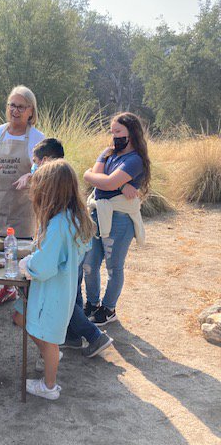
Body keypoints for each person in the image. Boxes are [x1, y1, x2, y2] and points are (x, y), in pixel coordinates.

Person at [13, 160, 96, 400]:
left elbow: (47, 264)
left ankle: (49, 386)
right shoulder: (74, 218)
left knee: (49, 339)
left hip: (51, 292)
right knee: (36, 328)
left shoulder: (59, 224)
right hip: (63, 289)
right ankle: (50, 368)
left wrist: (28, 264)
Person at [0, 85, 44, 307]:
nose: (15, 111)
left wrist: (29, 176)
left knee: (22, 251)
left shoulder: (37, 137)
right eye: (12, 105)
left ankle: (24, 297)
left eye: (21, 107)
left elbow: (44, 171)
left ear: (31, 111)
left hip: (22, 206)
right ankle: (7, 289)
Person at [83, 112, 151, 326]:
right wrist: (111, 178)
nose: (114, 136)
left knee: (114, 267)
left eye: (118, 132)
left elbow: (106, 182)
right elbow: (97, 178)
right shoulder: (109, 154)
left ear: (131, 133)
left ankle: (108, 308)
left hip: (120, 219)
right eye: (112, 132)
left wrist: (106, 180)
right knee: (89, 264)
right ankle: (92, 304)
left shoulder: (134, 160)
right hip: (97, 215)